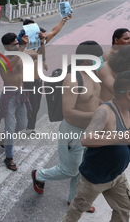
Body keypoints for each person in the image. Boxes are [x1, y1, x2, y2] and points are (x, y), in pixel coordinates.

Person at [32, 41, 103, 213]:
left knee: (83, 169)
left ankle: (74, 201)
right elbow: (69, 112)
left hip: (90, 131)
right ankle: (38, 175)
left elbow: (94, 100)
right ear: (86, 59)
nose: (101, 59)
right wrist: (97, 115)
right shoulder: (73, 79)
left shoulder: (93, 73)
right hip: (73, 132)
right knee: (69, 170)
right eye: (97, 56)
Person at [63, 71, 130, 222]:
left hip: (117, 176)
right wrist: (120, 138)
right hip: (94, 179)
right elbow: (86, 139)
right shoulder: (105, 112)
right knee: (76, 211)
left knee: (124, 209)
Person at [0, 32, 36, 170]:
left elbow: (39, 54)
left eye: (17, 44)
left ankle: (3, 136)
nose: (17, 46)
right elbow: (9, 68)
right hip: (9, 96)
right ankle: (9, 157)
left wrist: (41, 41)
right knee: (11, 129)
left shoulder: (20, 53)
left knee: (23, 124)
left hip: (21, 93)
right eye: (14, 45)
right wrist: (22, 48)